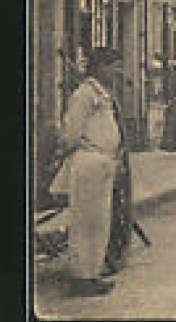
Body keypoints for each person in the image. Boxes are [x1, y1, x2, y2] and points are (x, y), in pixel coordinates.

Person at [50, 49, 126, 296]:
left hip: (104, 162)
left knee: (100, 221)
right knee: (84, 222)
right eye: (113, 66)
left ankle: (92, 273)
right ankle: (80, 277)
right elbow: (71, 133)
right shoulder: (83, 95)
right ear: (100, 67)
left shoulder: (101, 94)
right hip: (88, 162)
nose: (116, 72)